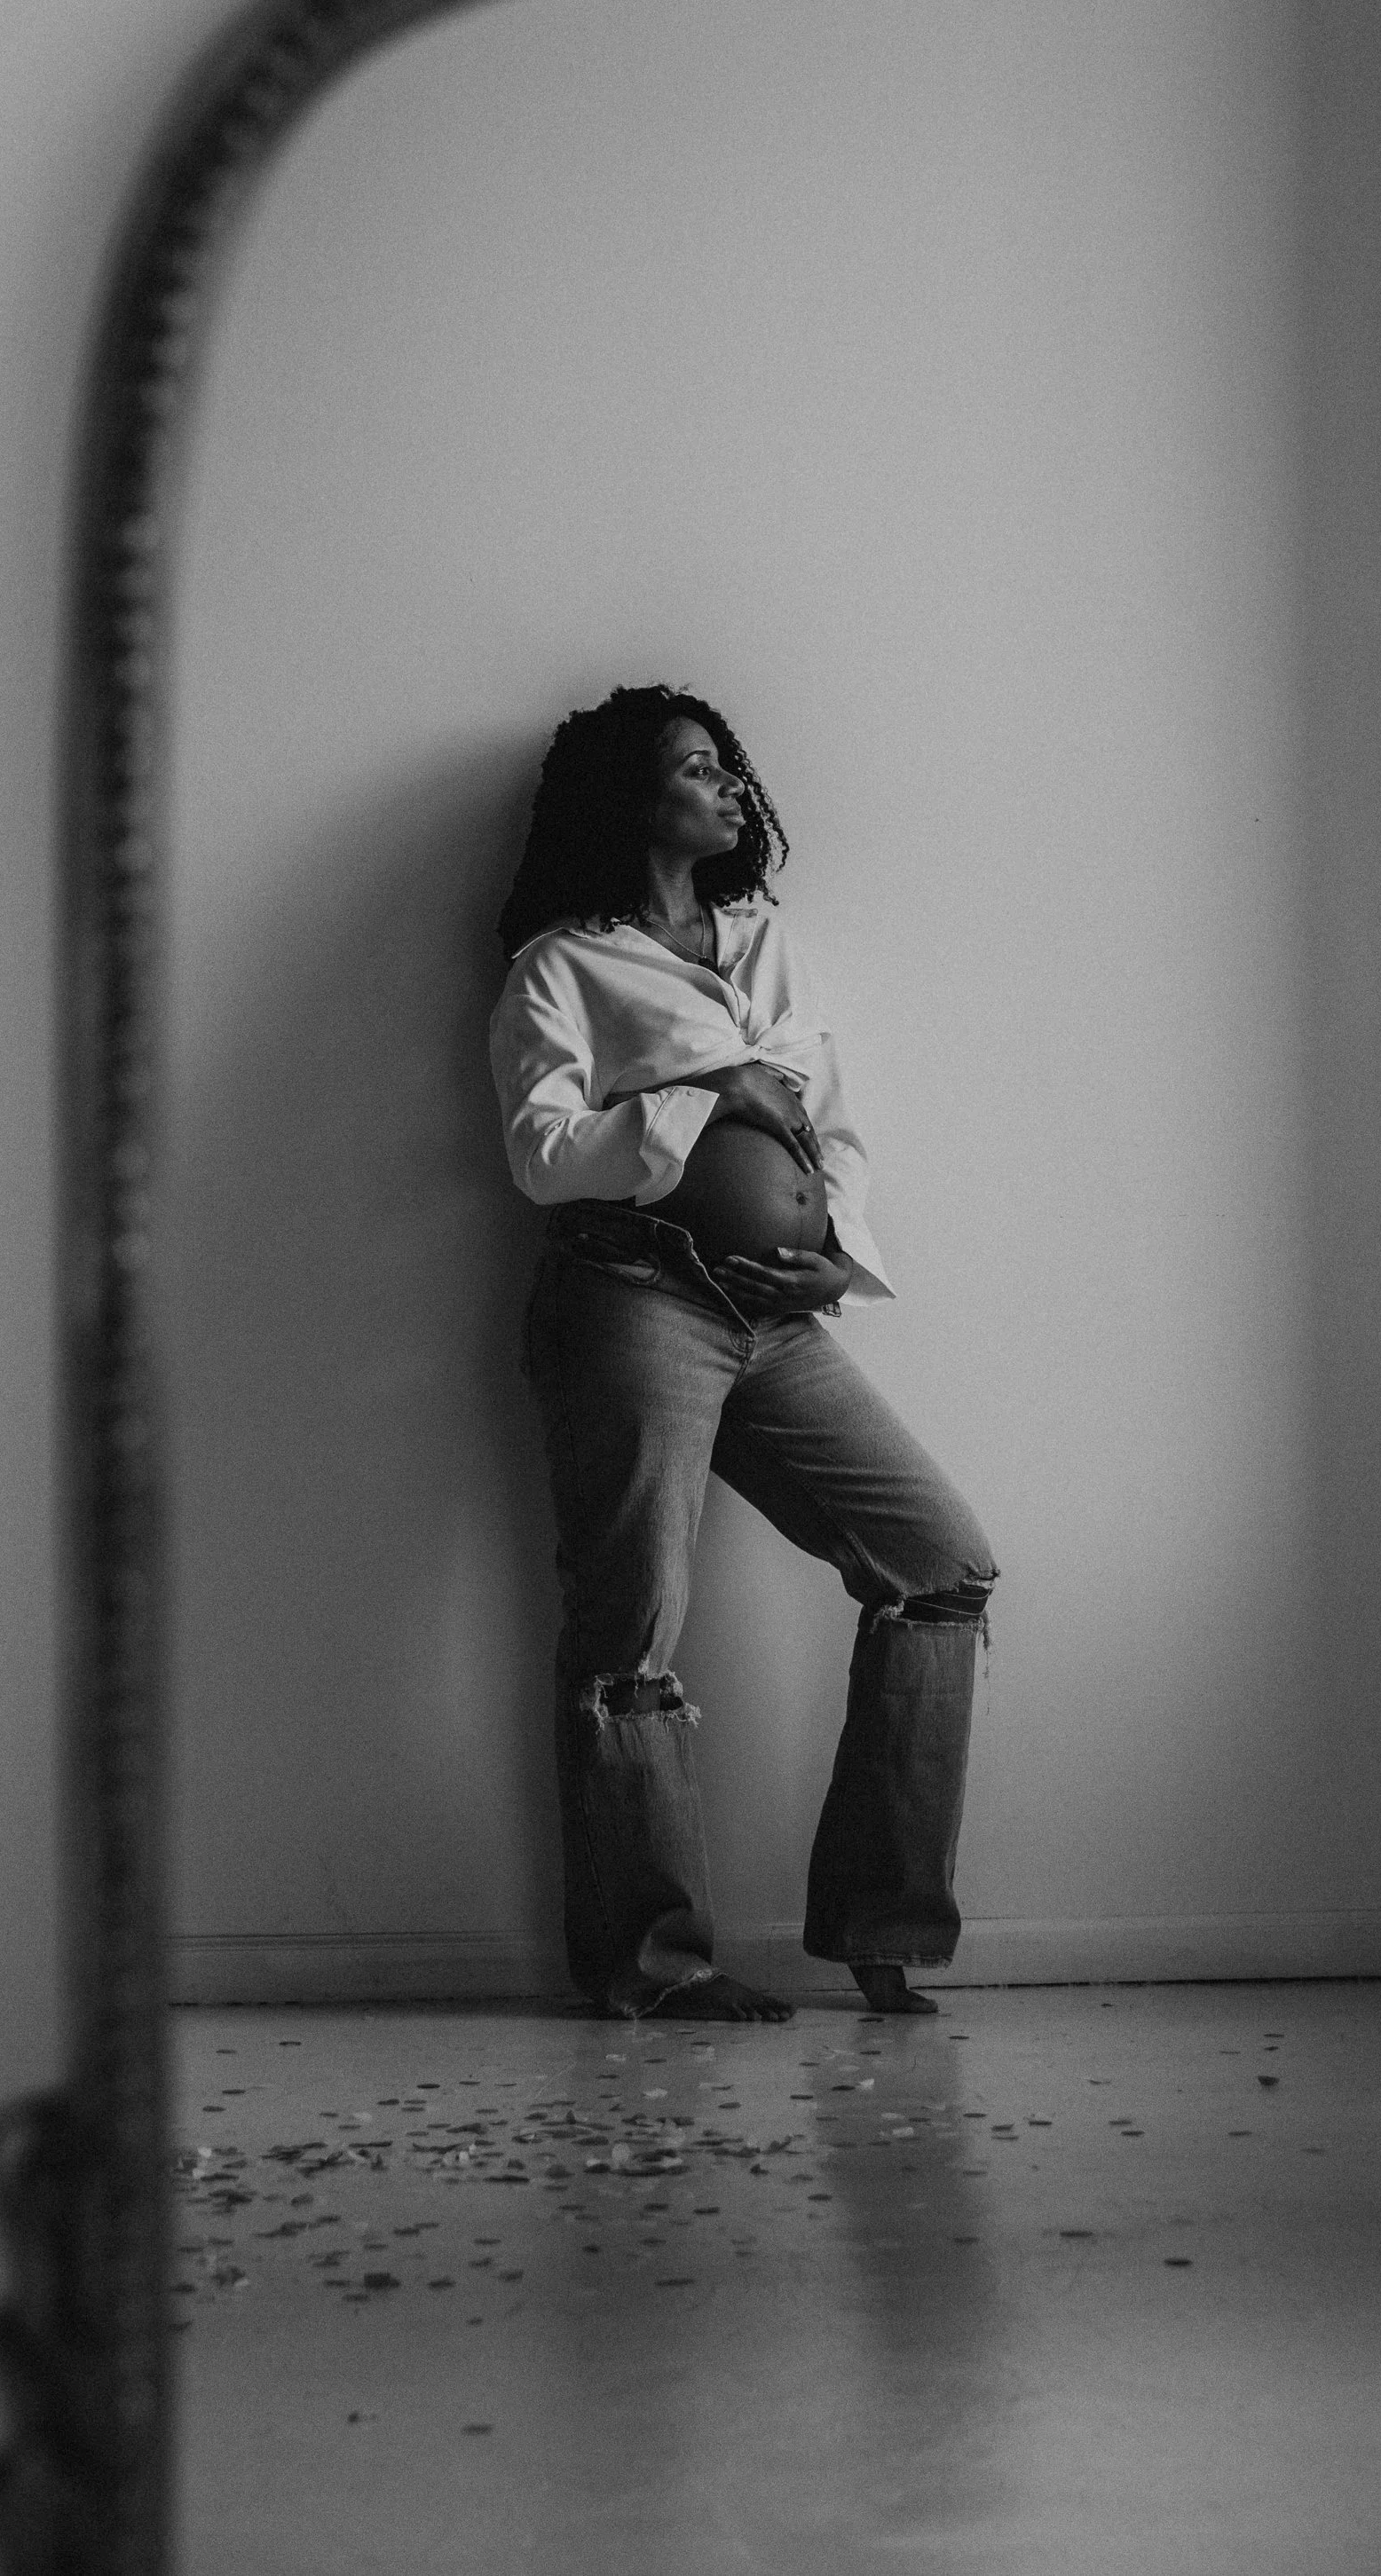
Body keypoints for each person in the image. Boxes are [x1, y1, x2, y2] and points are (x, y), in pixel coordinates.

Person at [489, 682, 999, 2023]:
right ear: (630, 801)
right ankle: (654, 1967)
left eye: (728, 769)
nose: (729, 787)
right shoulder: (561, 966)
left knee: (939, 1566)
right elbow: (541, 1152)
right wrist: (703, 1089)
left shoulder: (770, 940)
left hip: (779, 1313)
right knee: (629, 1628)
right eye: (697, 768)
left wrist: (839, 1253)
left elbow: (833, 1124)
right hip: (631, 1293)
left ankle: (882, 1924)